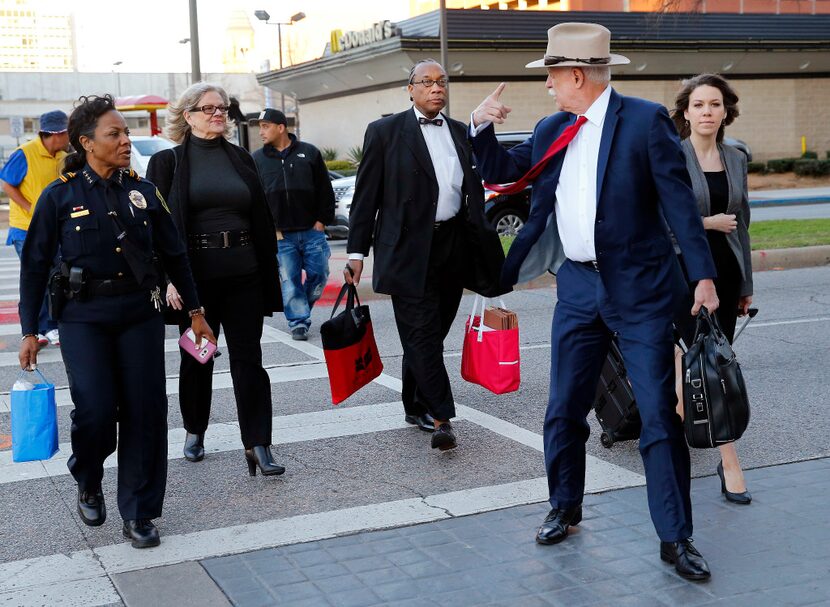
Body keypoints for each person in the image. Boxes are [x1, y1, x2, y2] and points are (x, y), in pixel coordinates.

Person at [470, 23, 719, 581]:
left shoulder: (644, 120)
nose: (549, 87)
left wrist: (702, 276)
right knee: (563, 408)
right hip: (579, 287)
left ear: (577, 76)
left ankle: (675, 537)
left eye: (553, 77)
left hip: (642, 289)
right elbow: (504, 174)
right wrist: (481, 127)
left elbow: (679, 204)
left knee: (657, 416)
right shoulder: (553, 125)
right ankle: (565, 504)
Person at [17, 95, 216, 548]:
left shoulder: (143, 192)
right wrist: (31, 330)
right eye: (115, 134)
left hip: (139, 314)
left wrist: (196, 312)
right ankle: (87, 473)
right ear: (86, 142)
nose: (126, 140)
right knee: (96, 411)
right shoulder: (60, 195)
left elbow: (175, 254)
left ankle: (140, 512)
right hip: (83, 318)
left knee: (146, 412)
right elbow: (34, 265)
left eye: (126, 133)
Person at [345, 59, 504, 451]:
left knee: (431, 334)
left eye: (441, 82)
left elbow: (474, 188)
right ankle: (442, 418)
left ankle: (414, 402)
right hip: (406, 249)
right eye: (427, 82)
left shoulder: (457, 132)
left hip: (452, 246)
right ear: (410, 89)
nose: (436, 88)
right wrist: (355, 253)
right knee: (420, 333)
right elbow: (365, 199)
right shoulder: (384, 132)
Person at [146, 83, 285, 476]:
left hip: (245, 273)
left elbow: (259, 216)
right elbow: (157, 229)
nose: (218, 114)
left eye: (222, 108)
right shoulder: (168, 163)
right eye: (208, 108)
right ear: (188, 115)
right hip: (195, 279)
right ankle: (194, 428)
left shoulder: (241, 158)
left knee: (249, 360)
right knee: (197, 359)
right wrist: (169, 279)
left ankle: (258, 443)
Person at [671, 73, 753, 505]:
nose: (707, 111)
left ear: (725, 112)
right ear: (686, 112)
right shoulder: (672, 156)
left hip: (726, 272)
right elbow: (658, 221)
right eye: (699, 104)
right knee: (710, 366)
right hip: (684, 272)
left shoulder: (736, 158)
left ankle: (688, 421)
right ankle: (729, 459)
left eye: (715, 104)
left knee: (702, 359)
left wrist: (747, 284)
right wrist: (706, 223)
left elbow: (743, 225)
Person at [251, 108, 334, 341]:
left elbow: (325, 190)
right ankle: (298, 321)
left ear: (281, 127)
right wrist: (270, 229)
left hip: (312, 231)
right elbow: (255, 198)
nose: (261, 132)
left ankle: (300, 308)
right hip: (281, 236)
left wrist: (321, 222)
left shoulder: (309, 153)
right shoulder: (257, 159)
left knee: (320, 275)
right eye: (260, 127)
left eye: (266, 126)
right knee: (290, 280)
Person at [1, 110, 70, 347]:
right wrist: (30, 208)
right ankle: (38, 329)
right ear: (56, 133)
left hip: (53, 228)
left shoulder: (62, 155)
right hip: (25, 229)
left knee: (55, 277)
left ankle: (51, 326)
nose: (69, 136)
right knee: (35, 277)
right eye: (67, 132)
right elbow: (7, 184)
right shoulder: (25, 153)